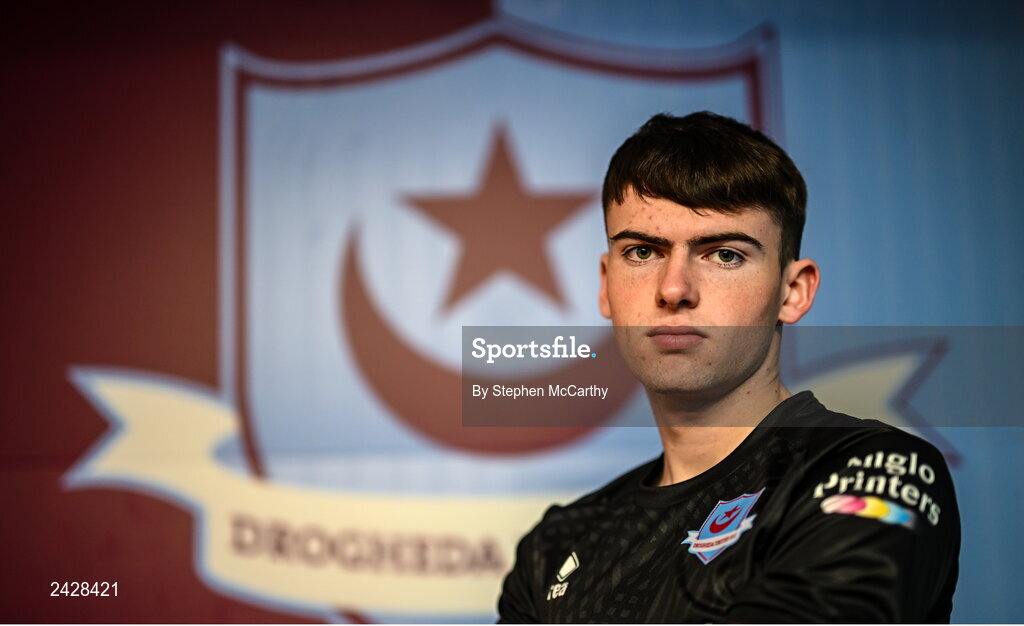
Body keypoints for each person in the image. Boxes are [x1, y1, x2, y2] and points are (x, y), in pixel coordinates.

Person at [496, 112, 960, 623]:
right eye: (643, 251)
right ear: (606, 285)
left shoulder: (871, 472)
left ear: (793, 290)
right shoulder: (558, 541)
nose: (673, 289)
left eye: (724, 255)